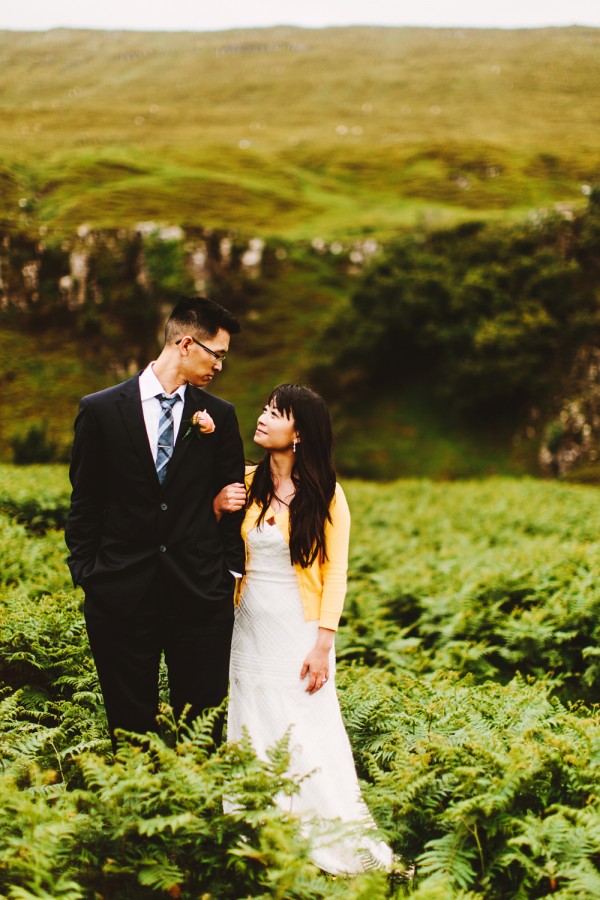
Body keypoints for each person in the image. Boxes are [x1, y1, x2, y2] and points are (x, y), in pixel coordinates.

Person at [215, 384, 393, 875]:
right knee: (251, 722)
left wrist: (323, 643)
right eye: (267, 408)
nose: (263, 416)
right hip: (248, 623)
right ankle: (258, 835)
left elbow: (336, 572)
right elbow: (214, 541)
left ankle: (336, 841)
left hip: (300, 630)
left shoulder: (328, 494)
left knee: (305, 731)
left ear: (300, 434)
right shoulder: (245, 482)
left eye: (277, 412)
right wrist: (215, 508)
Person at [65, 296, 245, 748]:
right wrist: (89, 575)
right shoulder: (101, 410)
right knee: (129, 734)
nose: (220, 366)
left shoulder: (219, 416)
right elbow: (85, 503)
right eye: (217, 354)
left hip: (200, 595)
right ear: (187, 344)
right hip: (120, 596)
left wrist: (225, 576)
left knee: (202, 733)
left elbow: (232, 501)